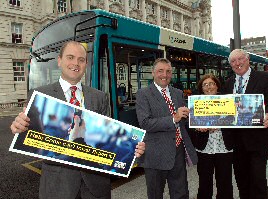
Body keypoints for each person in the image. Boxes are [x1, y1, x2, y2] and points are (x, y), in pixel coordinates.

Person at [10, 41, 146, 199]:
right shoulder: (40, 95)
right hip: (58, 188)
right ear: (59, 61)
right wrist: (19, 128)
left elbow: (107, 140)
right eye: (70, 57)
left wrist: (131, 148)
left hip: (96, 186)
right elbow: (29, 136)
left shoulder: (100, 97)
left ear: (86, 64)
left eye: (81, 59)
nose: (75, 63)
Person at [135, 58, 198, 199]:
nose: (165, 75)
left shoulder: (177, 93)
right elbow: (145, 123)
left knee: (181, 194)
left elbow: (183, 122)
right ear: (153, 73)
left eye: (168, 71)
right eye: (160, 71)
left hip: (178, 152)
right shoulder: (143, 94)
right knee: (155, 194)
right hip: (155, 154)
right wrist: (173, 118)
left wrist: (197, 123)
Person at [223, 49, 268, 199]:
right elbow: (224, 110)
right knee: (242, 181)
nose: (237, 63)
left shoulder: (265, 78)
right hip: (236, 142)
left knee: (258, 180)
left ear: (247, 60)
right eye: (233, 61)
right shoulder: (228, 83)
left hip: (259, 140)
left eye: (240, 59)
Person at [191, 74, 233, 199]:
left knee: (224, 182)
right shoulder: (196, 103)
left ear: (217, 85)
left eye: (211, 83)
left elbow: (235, 121)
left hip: (224, 147)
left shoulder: (228, 101)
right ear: (201, 88)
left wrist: (221, 125)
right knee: (204, 182)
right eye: (205, 84)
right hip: (204, 148)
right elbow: (190, 126)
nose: (209, 87)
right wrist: (197, 128)